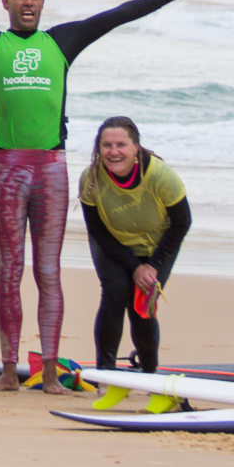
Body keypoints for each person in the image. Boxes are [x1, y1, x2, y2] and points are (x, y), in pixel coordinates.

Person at [0, 0, 203, 393]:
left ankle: (48, 378)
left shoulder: (62, 41)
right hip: (5, 167)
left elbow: (117, 16)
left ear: (43, 2)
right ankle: (7, 372)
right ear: (5, 2)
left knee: (48, 272)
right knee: (9, 270)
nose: (28, 2)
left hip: (51, 170)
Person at [79, 117, 191, 372]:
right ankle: (105, 375)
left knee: (143, 302)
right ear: (98, 149)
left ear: (136, 148)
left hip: (157, 246)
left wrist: (152, 265)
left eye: (121, 145)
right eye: (106, 145)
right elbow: (96, 229)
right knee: (115, 294)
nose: (114, 151)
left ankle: (149, 374)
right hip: (112, 243)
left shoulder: (161, 175)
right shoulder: (91, 177)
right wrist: (133, 266)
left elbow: (182, 222)